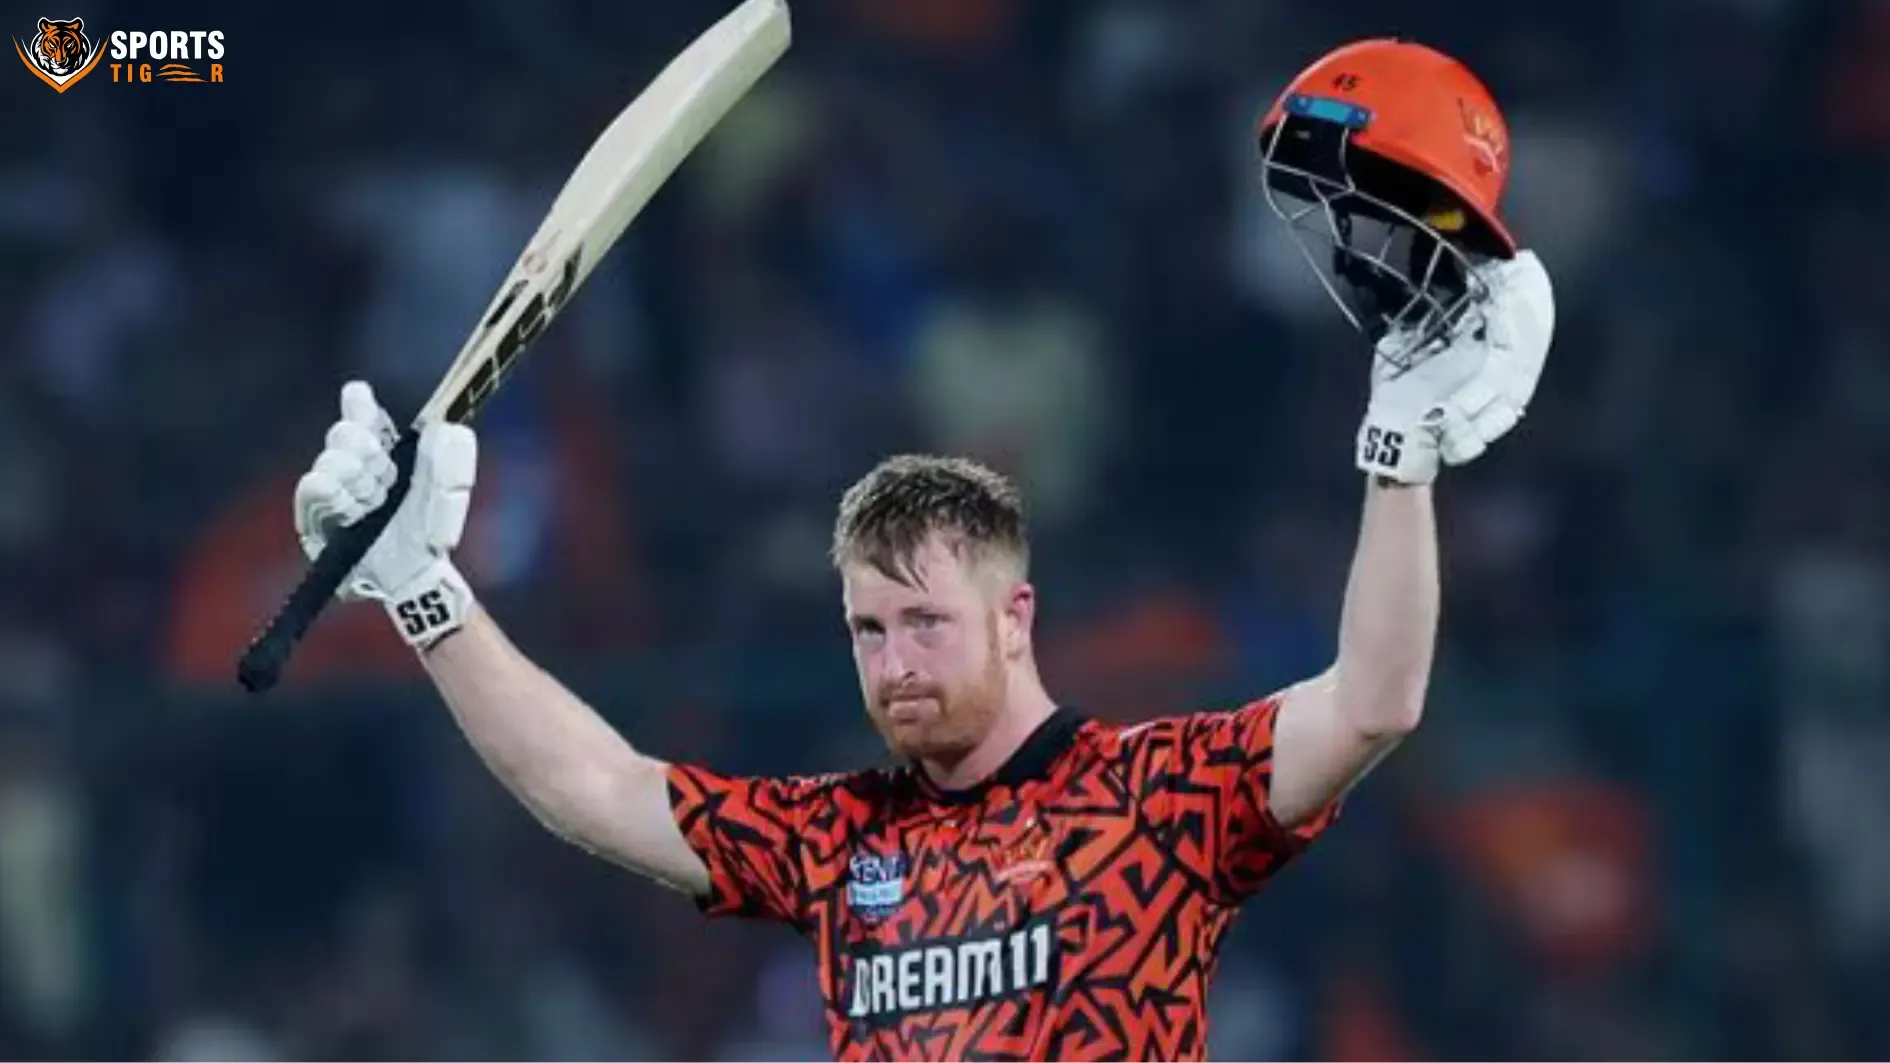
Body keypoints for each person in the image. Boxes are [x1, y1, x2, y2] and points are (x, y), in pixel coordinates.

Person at [288, 38, 1554, 1063]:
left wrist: (1400, 458)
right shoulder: (839, 842)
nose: (892, 664)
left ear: (1016, 617)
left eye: (926, 623)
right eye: (868, 630)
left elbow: (1376, 699)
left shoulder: (1162, 794)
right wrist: (425, 591)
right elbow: (598, 789)